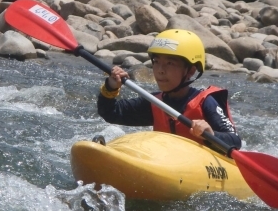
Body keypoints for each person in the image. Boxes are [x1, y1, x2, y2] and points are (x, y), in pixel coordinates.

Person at [97, 29, 241, 150]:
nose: (160, 70)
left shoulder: (206, 103)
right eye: (157, 62)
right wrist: (111, 86)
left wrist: (212, 134)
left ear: (190, 70)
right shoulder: (155, 103)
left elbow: (235, 140)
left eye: (170, 63)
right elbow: (110, 113)